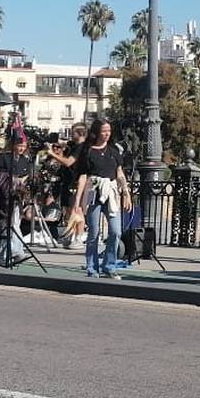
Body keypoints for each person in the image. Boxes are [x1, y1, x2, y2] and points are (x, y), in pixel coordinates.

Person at [68, 118, 131, 278]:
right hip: (94, 191)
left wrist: (126, 193)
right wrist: (78, 203)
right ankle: (92, 267)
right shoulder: (88, 151)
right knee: (94, 232)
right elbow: (83, 177)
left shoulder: (113, 151)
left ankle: (109, 265)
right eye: (104, 131)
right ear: (97, 132)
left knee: (115, 231)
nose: (107, 134)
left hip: (110, 192)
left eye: (109, 131)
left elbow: (120, 173)